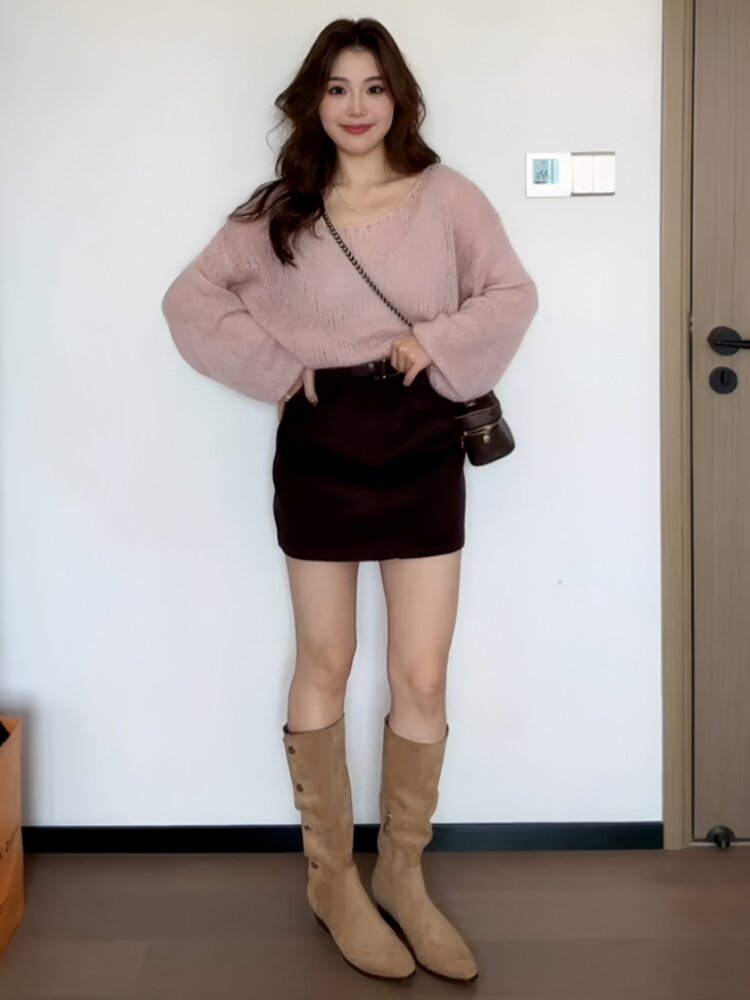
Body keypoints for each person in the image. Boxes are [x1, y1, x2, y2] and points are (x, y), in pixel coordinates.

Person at [162, 16, 537, 984]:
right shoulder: (279, 211)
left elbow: (511, 294)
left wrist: (434, 341)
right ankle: (332, 879)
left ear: (399, 97)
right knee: (325, 659)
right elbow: (190, 303)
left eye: (373, 87)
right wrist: (279, 369)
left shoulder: (448, 197)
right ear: (313, 101)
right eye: (337, 88)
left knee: (422, 674)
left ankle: (402, 874)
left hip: (422, 444)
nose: (357, 106)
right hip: (320, 449)